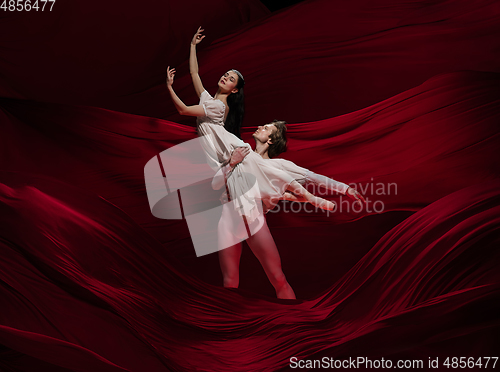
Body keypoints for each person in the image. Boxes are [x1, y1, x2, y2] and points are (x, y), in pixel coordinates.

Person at [212, 120, 365, 299]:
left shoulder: (280, 166)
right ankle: (228, 322)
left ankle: (294, 319)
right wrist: (231, 162)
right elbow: (215, 184)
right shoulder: (240, 154)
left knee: (278, 278)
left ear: (270, 140)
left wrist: (345, 189)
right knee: (229, 281)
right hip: (229, 219)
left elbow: (314, 178)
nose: (260, 126)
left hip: (255, 221)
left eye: (266, 128)